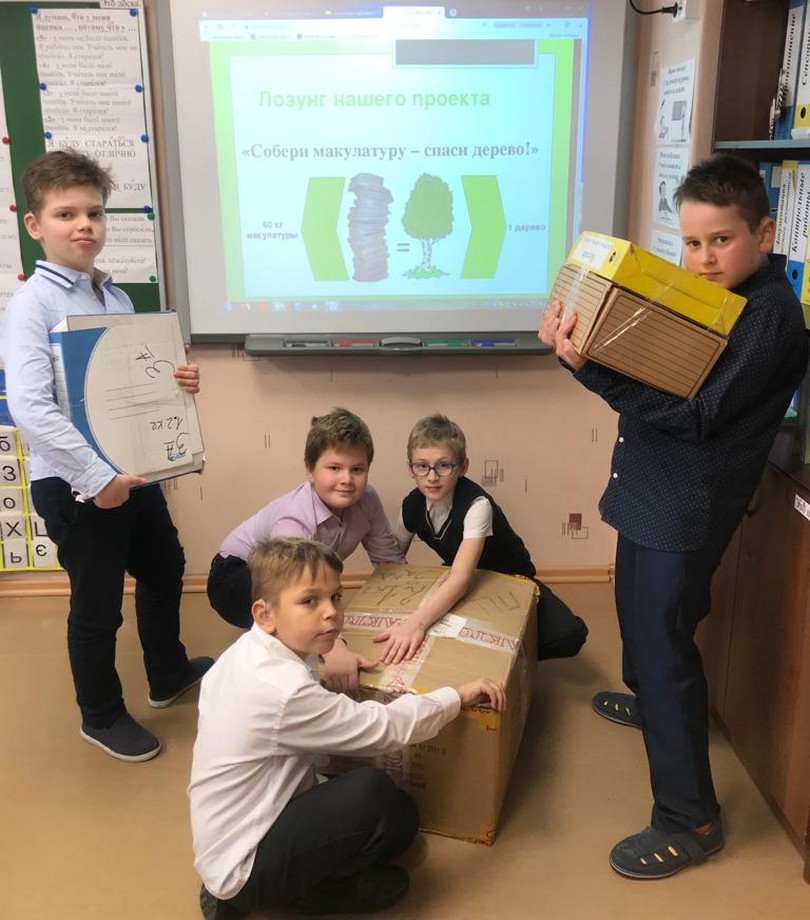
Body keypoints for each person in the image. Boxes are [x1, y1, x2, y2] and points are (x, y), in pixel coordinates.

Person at [539, 153, 809, 880]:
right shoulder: (712, 300)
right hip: (651, 490)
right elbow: (662, 372)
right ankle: (653, 705)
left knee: (664, 646)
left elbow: (695, 415)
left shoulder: (769, 318)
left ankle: (690, 819)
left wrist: (587, 367)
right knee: (638, 617)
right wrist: (583, 346)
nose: (704, 257)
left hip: (686, 507)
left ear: (763, 233)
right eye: (692, 242)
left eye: (722, 240)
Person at [1, 149, 212, 763]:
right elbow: (30, 408)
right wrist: (98, 479)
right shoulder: (31, 306)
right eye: (65, 214)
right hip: (77, 484)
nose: (84, 225)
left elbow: (125, 385)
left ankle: (167, 672)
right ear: (35, 224)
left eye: (93, 212)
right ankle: (100, 715)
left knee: (165, 566)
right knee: (97, 605)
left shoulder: (113, 297)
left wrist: (176, 381)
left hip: (131, 473)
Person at [190, 536, 505, 920]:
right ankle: (303, 894)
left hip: (257, 813)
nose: (331, 613)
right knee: (373, 793)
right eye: (310, 601)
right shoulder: (281, 689)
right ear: (265, 614)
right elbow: (382, 729)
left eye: (336, 597)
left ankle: (294, 878)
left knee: (402, 816)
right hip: (245, 862)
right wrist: (455, 696)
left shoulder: (248, 652)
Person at [207, 407, 406, 693]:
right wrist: (335, 648)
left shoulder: (368, 499)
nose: (347, 479)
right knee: (295, 626)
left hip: (289, 580)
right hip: (234, 575)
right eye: (334, 468)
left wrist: (412, 607)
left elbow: (389, 561)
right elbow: (292, 591)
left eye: (357, 469)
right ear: (309, 470)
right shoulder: (294, 519)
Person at [372, 412, 588, 665]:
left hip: (507, 576)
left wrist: (415, 625)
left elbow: (461, 578)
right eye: (422, 466)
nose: (432, 477)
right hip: (461, 571)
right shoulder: (412, 505)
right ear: (410, 468)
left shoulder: (477, 504)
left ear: (463, 467)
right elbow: (393, 563)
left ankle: (513, 657)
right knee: (443, 628)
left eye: (444, 465)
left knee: (568, 634)